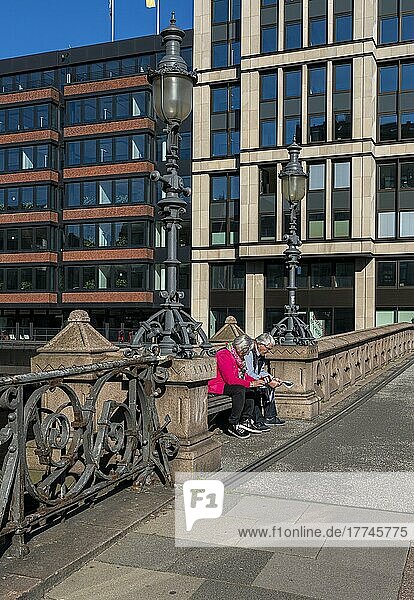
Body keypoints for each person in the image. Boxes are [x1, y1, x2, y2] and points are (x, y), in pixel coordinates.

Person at [208, 334, 268, 439]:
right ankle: (233, 423)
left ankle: (245, 419)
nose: (246, 354)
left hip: (226, 384)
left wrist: (255, 381)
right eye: (246, 352)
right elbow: (230, 380)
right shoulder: (224, 354)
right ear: (242, 349)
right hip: (217, 385)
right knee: (239, 390)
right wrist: (250, 383)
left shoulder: (235, 355)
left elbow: (243, 375)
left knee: (251, 390)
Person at [245, 332, 286, 427]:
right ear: (260, 344)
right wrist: (267, 381)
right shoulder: (249, 351)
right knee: (258, 390)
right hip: (246, 380)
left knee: (269, 388)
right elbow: (249, 372)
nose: (268, 351)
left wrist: (271, 378)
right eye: (268, 348)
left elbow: (260, 371)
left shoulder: (260, 354)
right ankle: (258, 420)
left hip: (253, 378)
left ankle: (270, 416)